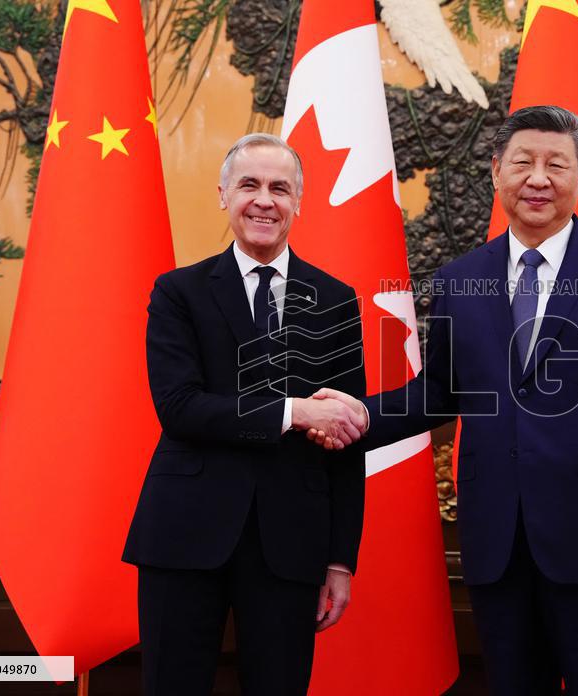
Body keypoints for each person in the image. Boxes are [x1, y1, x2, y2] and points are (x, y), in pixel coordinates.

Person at [312, 106, 578, 694]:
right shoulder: (463, 277)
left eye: (555, 164)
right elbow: (441, 391)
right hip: (499, 542)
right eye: (522, 162)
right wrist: (358, 413)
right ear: (496, 173)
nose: (537, 178)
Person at [122, 133, 368, 695]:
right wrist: (292, 411)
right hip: (185, 533)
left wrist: (340, 559)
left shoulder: (335, 300)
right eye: (249, 185)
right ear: (223, 195)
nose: (264, 200)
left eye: (279, 188)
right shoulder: (179, 292)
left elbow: (347, 434)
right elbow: (180, 408)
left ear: (298, 201)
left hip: (291, 539)